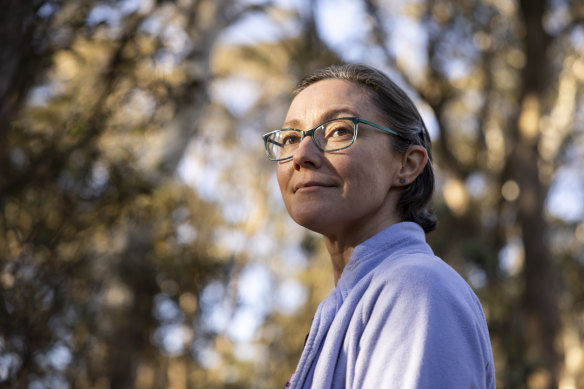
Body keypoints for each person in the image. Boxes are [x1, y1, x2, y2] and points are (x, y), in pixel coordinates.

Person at [262, 64, 495, 388]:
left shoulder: (415, 288)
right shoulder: (352, 301)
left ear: (408, 163)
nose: (301, 155)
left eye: (338, 131)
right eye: (289, 137)